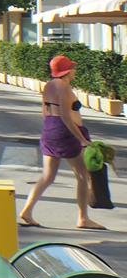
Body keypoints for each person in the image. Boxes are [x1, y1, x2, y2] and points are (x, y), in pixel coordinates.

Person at [19, 55, 105, 230]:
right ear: (67, 71)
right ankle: (83, 218)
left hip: (50, 128)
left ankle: (27, 211)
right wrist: (81, 139)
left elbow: (45, 111)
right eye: (72, 68)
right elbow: (66, 116)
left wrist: (52, 129)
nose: (75, 71)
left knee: (48, 176)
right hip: (66, 131)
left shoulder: (49, 86)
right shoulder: (64, 87)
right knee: (82, 175)